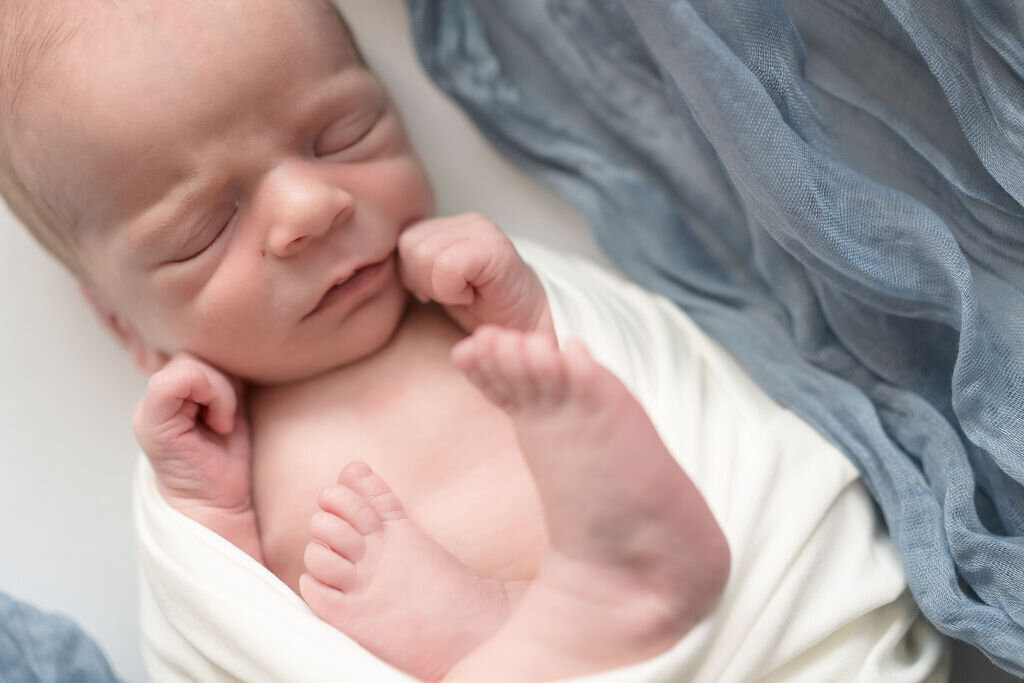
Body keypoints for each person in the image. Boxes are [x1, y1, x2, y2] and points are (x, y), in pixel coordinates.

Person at [0, 1, 730, 680]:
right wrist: (209, 511)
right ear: (126, 324)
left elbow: (660, 378)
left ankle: (561, 619)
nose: (311, 208)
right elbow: (224, 627)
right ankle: (524, 632)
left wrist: (530, 317)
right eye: (205, 230)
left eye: (342, 135)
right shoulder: (212, 471)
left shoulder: (469, 300)